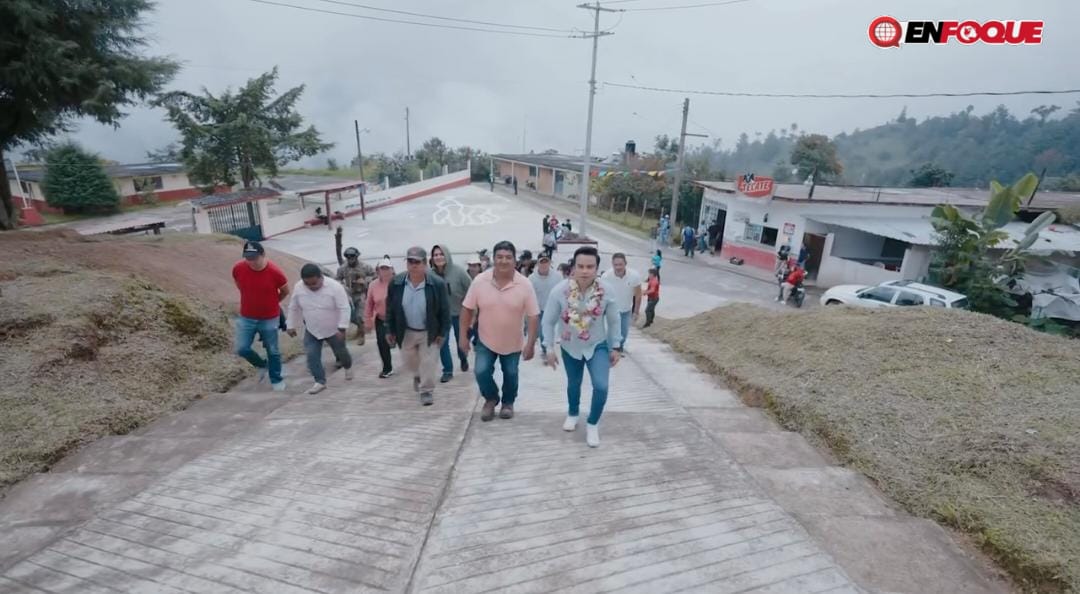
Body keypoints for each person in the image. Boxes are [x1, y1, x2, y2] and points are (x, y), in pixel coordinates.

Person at [543, 246, 622, 448]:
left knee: (601, 386)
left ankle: (592, 423)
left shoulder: (607, 291)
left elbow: (614, 321)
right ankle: (573, 413)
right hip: (570, 346)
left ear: (597, 268)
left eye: (590, 266)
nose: (585, 271)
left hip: (597, 345)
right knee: (573, 383)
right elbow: (548, 321)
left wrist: (615, 346)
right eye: (581, 266)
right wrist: (549, 348)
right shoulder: (559, 291)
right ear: (573, 267)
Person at [459, 241, 540, 422]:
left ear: (515, 260)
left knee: (511, 374)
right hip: (485, 339)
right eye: (500, 257)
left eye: (508, 257)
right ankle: (491, 398)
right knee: (481, 371)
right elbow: (467, 309)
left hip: (513, 342)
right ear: (493, 259)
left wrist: (531, 344)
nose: (504, 261)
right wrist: (462, 337)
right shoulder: (480, 281)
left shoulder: (524, 284)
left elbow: (533, 316)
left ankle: (508, 403)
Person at [385, 246, 451, 406]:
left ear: (425, 264)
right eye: (410, 261)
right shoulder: (396, 283)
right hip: (406, 330)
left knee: (428, 362)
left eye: (417, 262)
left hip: (429, 331)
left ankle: (427, 391)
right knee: (410, 361)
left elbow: (445, 310)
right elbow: (390, 308)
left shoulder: (437, 284)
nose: (413, 265)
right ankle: (417, 375)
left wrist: (442, 332)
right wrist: (389, 330)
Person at [286, 263, 353, 395]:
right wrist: (290, 325)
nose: (311, 286)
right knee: (311, 355)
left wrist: (342, 327)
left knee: (341, 352)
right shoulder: (299, 287)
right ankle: (320, 381)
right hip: (312, 329)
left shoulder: (335, 287)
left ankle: (348, 366)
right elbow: (293, 307)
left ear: (321, 277)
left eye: (314, 283)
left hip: (333, 329)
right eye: (307, 284)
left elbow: (344, 308)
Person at [232, 241, 290, 391]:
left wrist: (273, 302)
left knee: (273, 350)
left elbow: (285, 291)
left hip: (269, 318)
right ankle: (262, 365)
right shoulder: (238, 268)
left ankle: (276, 379)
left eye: (254, 258)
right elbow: (239, 285)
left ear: (263, 255)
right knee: (242, 348)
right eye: (248, 258)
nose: (251, 261)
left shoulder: (275, 272)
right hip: (247, 316)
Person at [430, 244, 472, 383]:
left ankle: (463, 358)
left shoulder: (459, 272)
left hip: (459, 313)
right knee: (442, 343)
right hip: (441, 316)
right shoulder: (429, 275)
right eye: (435, 255)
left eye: (441, 254)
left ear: (447, 255)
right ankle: (447, 370)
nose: (438, 257)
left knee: (461, 340)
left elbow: (472, 289)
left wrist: (469, 308)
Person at [600, 253, 642, 352]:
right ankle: (611, 350)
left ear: (625, 263)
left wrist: (636, 312)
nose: (618, 267)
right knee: (611, 332)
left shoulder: (634, 276)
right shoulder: (606, 276)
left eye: (620, 264)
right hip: (611, 309)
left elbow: (638, 295)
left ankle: (619, 348)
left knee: (623, 333)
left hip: (625, 309)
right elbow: (601, 294)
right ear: (612, 264)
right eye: (615, 265)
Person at [336, 247, 374, 345]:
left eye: (352, 256)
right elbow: (337, 279)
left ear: (356, 256)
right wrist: (342, 286)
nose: (350, 258)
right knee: (349, 316)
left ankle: (361, 335)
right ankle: (359, 328)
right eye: (348, 257)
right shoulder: (342, 268)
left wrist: (365, 281)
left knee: (360, 316)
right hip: (348, 294)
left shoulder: (365, 267)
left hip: (361, 293)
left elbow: (375, 276)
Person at [365, 256, 396, 378]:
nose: (384, 271)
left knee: (406, 343)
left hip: (398, 319)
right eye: (382, 268)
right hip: (381, 319)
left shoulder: (398, 282)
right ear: (377, 270)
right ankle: (387, 369)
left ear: (392, 270)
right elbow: (369, 304)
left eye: (387, 268)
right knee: (382, 344)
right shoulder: (373, 285)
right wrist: (367, 320)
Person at [529, 254, 561, 357]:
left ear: (550, 263)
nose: (544, 265)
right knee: (542, 331)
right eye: (541, 262)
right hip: (538, 308)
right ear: (538, 264)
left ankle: (547, 347)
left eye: (546, 262)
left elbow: (561, 291)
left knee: (549, 328)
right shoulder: (532, 278)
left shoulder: (557, 276)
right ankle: (545, 348)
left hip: (552, 308)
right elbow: (529, 294)